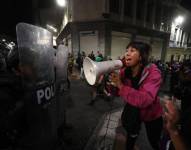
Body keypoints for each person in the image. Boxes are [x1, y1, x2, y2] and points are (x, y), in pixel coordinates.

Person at [111, 41, 163, 150]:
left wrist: (121, 85)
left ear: (141, 56)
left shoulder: (153, 72)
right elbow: (115, 93)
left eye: (132, 50)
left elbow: (145, 99)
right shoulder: (124, 71)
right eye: (126, 50)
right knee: (131, 135)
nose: (127, 54)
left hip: (151, 114)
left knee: (154, 141)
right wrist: (111, 84)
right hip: (134, 110)